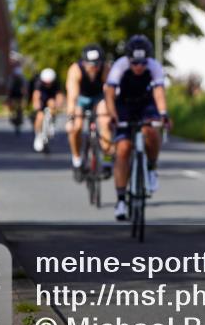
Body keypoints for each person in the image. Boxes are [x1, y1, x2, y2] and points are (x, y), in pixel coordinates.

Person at [104, 35, 169, 221]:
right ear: (128, 60)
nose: (139, 67)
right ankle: (121, 200)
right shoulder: (119, 66)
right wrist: (113, 115)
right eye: (135, 63)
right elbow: (109, 93)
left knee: (151, 130)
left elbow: (158, 92)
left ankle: (151, 167)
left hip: (145, 104)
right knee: (123, 149)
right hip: (124, 105)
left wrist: (163, 114)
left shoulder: (154, 66)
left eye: (142, 63)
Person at [65, 44, 113, 174]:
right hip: (81, 98)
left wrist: (112, 114)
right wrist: (70, 118)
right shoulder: (75, 70)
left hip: (99, 97)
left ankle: (107, 159)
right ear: (84, 62)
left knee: (105, 123)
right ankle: (77, 159)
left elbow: (109, 93)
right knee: (77, 127)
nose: (94, 68)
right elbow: (72, 97)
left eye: (97, 64)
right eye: (90, 64)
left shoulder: (105, 68)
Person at [31, 68, 61, 152]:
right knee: (40, 117)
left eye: (49, 83)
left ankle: (52, 123)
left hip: (51, 98)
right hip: (42, 98)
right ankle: (38, 135)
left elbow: (59, 95)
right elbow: (36, 95)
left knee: (52, 104)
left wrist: (58, 105)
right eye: (46, 83)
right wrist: (36, 104)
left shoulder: (56, 83)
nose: (48, 84)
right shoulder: (39, 83)